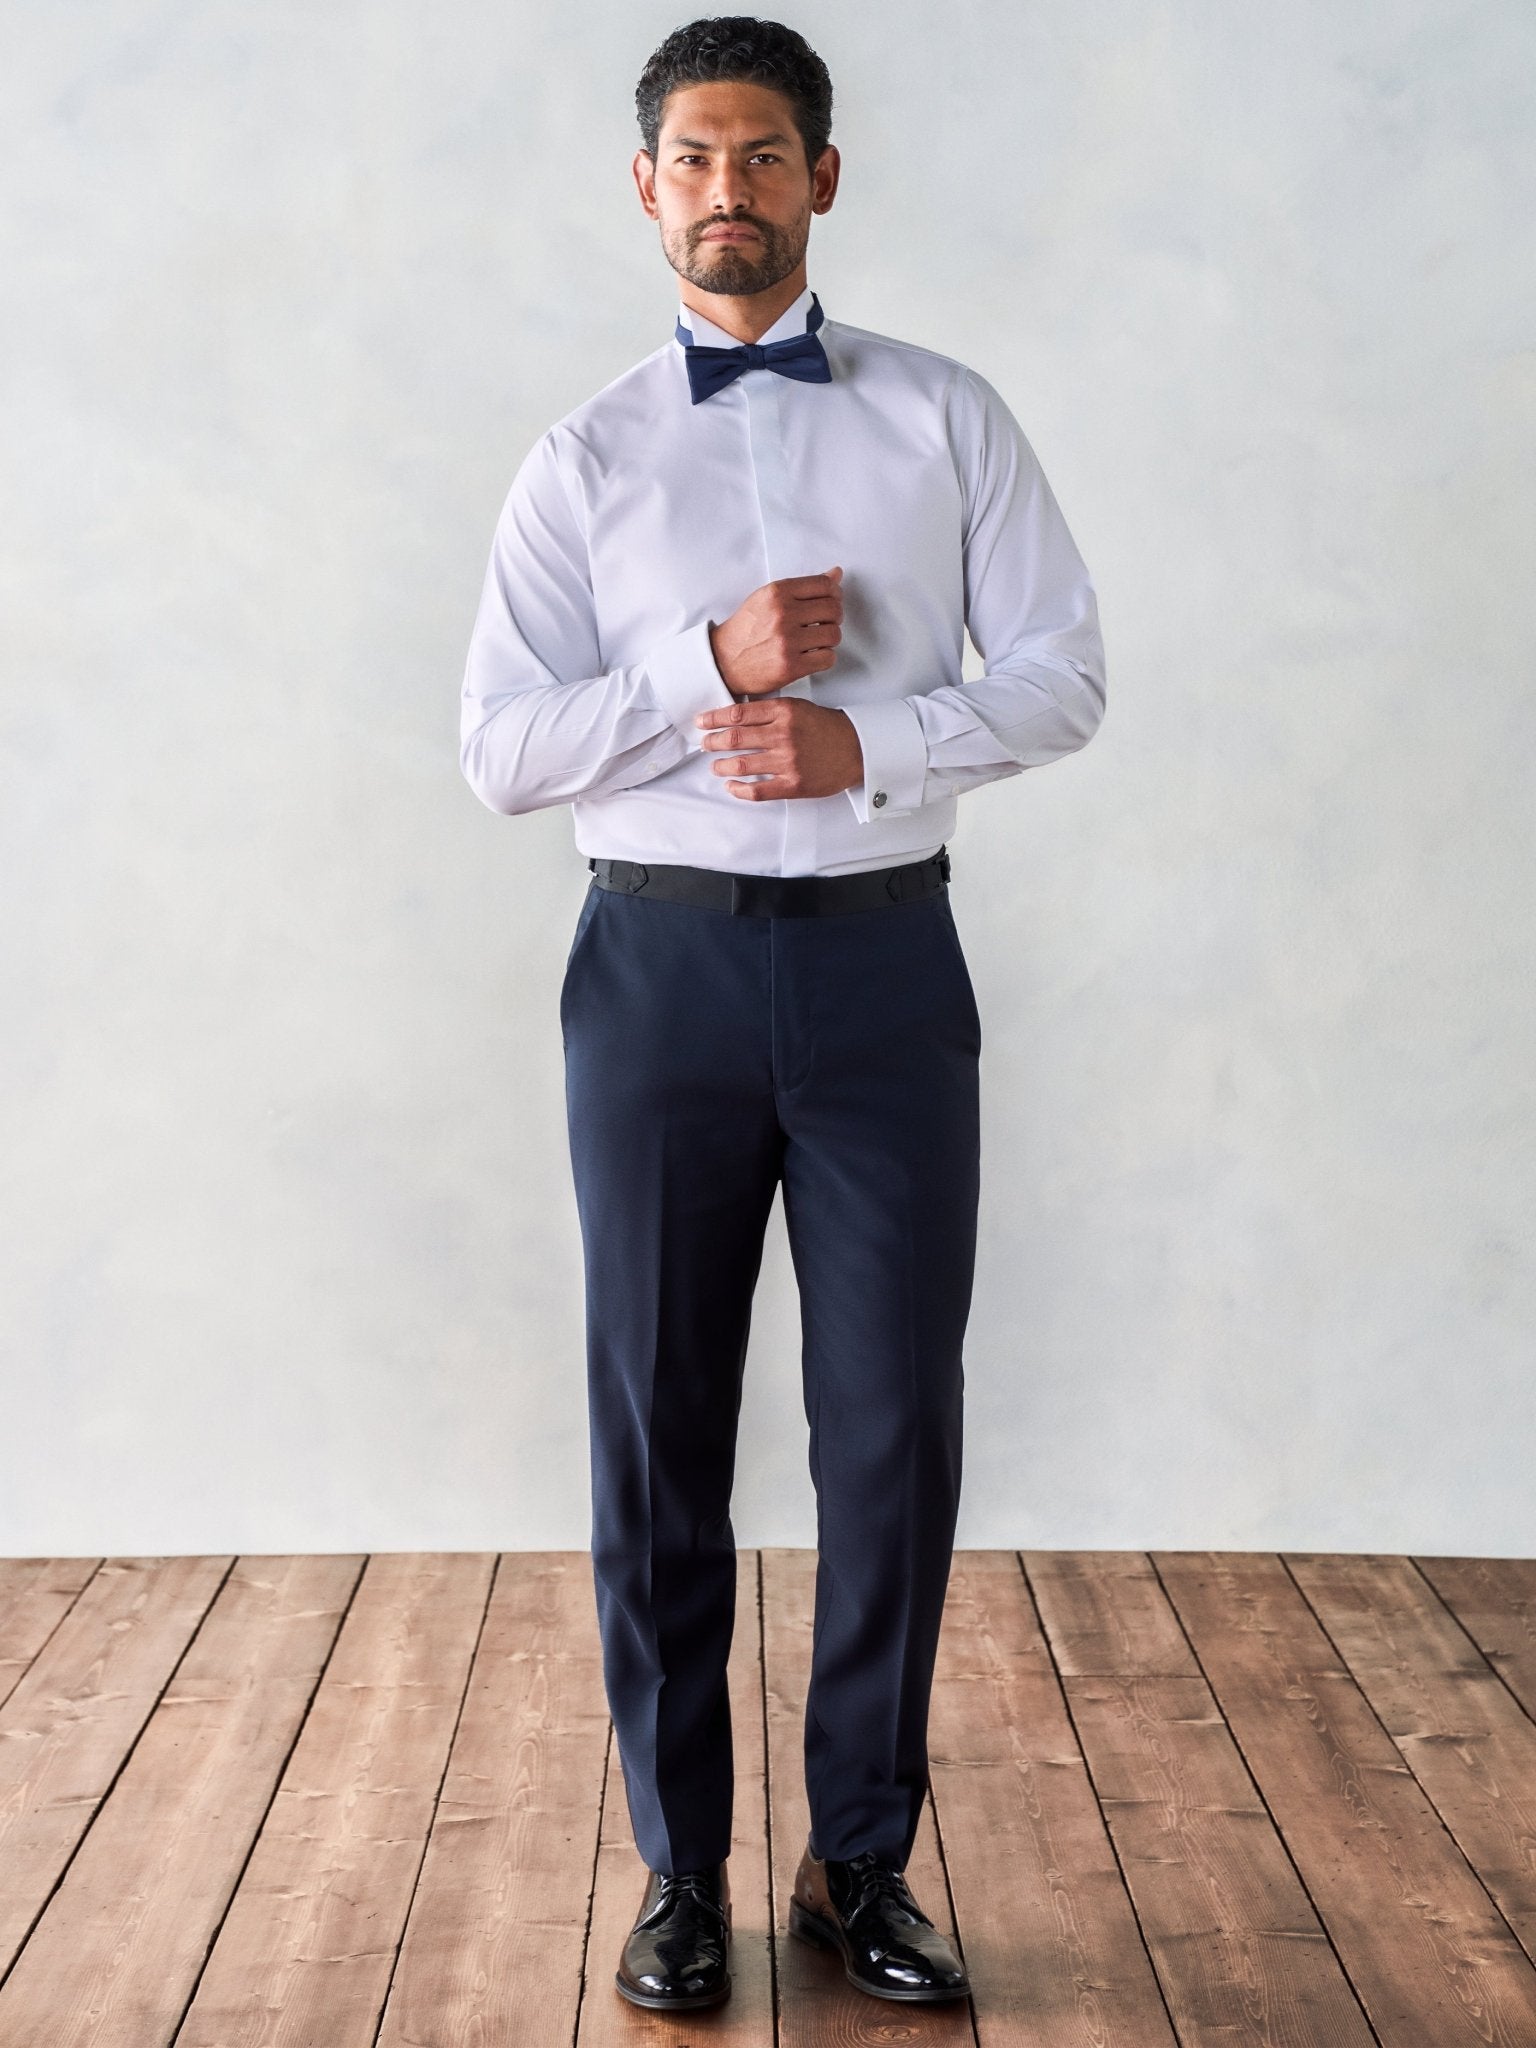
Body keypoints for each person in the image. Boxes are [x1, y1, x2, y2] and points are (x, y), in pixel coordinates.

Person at [459, 12, 1106, 2014]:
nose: (724, 192)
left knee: (894, 1425)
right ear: (643, 187)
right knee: (658, 1427)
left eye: (761, 156)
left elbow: (1066, 675)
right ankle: (677, 1872)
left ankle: (861, 1865)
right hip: (653, 973)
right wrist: (698, 664)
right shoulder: (581, 460)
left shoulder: (946, 418)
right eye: (690, 158)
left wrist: (870, 740)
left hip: (883, 967)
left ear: (824, 177)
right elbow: (499, 749)